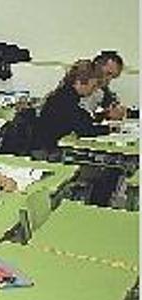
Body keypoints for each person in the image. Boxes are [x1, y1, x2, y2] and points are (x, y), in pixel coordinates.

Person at [34, 60, 114, 205]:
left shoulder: (66, 95)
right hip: (49, 153)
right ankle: (93, 210)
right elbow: (85, 129)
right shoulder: (66, 100)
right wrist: (110, 129)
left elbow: (84, 121)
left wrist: (103, 120)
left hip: (52, 148)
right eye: (93, 85)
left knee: (103, 168)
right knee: (105, 174)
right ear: (79, 82)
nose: (94, 89)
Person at [80, 51, 126, 121]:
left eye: (113, 77)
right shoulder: (78, 84)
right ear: (97, 66)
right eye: (108, 73)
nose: (109, 80)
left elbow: (111, 105)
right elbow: (76, 119)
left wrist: (115, 111)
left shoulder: (102, 89)